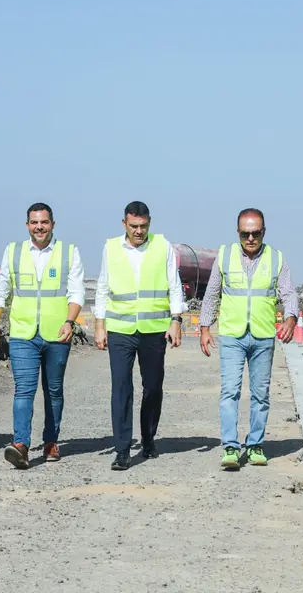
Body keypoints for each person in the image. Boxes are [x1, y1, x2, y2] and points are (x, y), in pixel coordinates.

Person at [199, 208, 299, 470]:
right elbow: (212, 294)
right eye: (246, 233)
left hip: (263, 336)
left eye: (256, 233)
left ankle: (255, 444)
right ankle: (230, 447)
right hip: (232, 335)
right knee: (230, 391)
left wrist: (291, 319)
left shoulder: (276, 258)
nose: (251, 238)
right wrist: (205, 327)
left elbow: (289, 294)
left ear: (264, 232)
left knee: (260, 395)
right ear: (238, 233)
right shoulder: (225, 255)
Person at [0, 202, 85, 469]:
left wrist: (69, 321)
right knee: (23, 390)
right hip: (23, 333)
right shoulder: (14, 252)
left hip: (57, 333)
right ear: (27, 225)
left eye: (44, 222)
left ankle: (51, 441)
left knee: (53, 390)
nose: (39, 227)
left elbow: (77, 293)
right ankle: (21, 444)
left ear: (52, 224)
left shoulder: (69, 252)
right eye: (34, 222)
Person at [93, 201, 185, 471]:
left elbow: (174, 284)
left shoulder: (162, 246)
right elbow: (102, 286)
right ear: (124, 224)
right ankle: (122, 449)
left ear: (150, 223)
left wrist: (176, 320)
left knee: (153, 387)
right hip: (120, 329)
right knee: (121, 388)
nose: (139, 231)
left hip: (154, 330)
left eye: (143, 226)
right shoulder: (110, 248)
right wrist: (100, 324)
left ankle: (148, 437)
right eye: (133, 226)